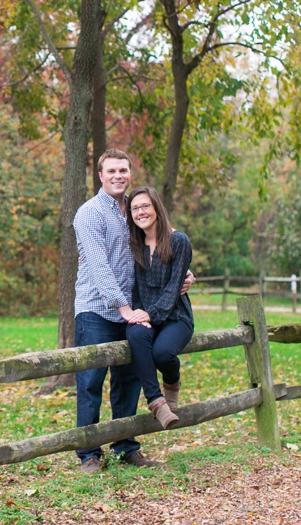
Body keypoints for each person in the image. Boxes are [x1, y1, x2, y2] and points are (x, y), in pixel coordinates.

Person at [73, 150, 192, 473]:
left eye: (123, 170)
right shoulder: (90, 213)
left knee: (128, 382)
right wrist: (125, 309)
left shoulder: (133, 210)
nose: (117, 176)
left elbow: (162, 244)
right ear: (100, 175)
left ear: (130, 173)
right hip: (97, 310)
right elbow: (98, 266)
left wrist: (183, 274)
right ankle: (89, 454)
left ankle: (126, 446)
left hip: (134, 312)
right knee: (90, 381)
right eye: (110, 170)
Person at [124, 185, 195, 431]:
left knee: (163, 353)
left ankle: (172, 382)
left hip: (176, 316)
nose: (140, 212)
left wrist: (150, 313)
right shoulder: (133, 245)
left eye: (145, 206)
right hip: (145, 315)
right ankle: (156, 402)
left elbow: (175, 287)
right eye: (135, 208)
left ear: (156, 208)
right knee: (134, 334)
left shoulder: (178, 240)